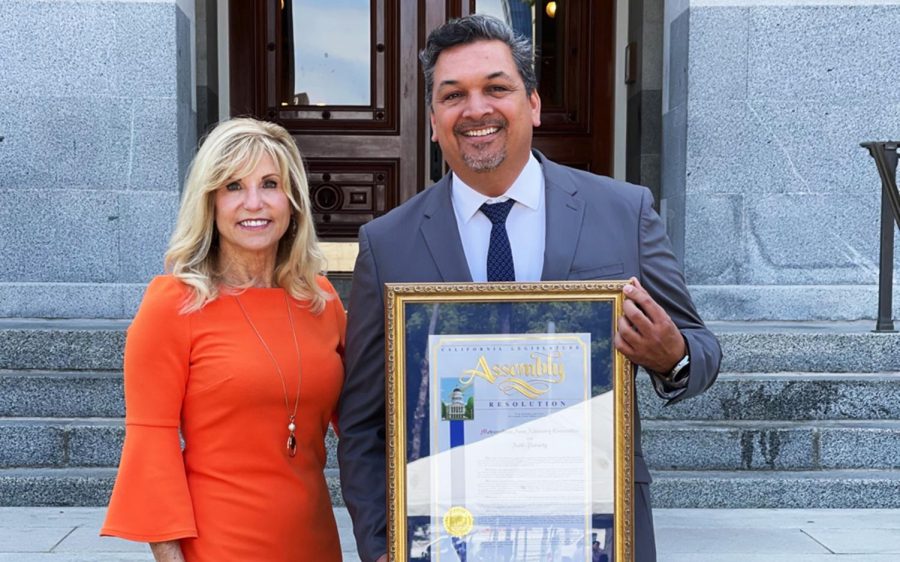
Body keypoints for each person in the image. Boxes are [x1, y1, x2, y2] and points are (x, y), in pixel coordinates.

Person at [338, 14, 722, 562]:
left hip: (595, 526)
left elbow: (702, 348)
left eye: (497, 88)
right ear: (432, 119)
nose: (476, 109)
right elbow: (362, 422)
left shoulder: (623, 211)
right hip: (449, 533)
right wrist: (381, 546)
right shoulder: (387, 244)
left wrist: (672, 356)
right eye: (454, 95)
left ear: (533, 104)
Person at [101, 118, 346, 561]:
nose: (254, 202)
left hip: (315, 543)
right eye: (233, 186)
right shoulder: (174, 305)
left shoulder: (321, 301)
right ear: (210, 202)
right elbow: (150, 447)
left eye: (270, 183)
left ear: (292, 201)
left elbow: (366, 424)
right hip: (219, 545)